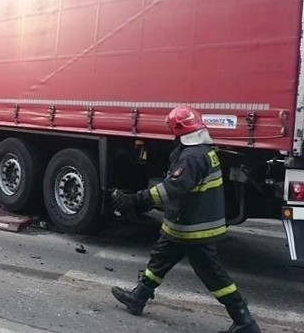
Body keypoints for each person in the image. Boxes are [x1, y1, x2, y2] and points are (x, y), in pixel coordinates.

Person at [111, 105, 261, 333]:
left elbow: (172, 188)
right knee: (159, 259)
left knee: (213, 275)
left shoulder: (192, 157)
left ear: (179, 132)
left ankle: (244, 320)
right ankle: (138, 298)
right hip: (182, 224)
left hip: (195, 230)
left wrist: (136, 200)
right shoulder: (202, 151)